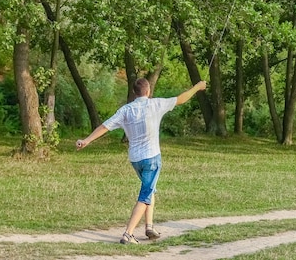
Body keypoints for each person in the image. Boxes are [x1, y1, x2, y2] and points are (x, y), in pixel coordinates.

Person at [76, 78, 207, 244]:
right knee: (145, 194)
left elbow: (105, 126)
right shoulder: (155, 104)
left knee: (149, 189)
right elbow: (180, 99)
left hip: (135, 159)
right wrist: (197, 87)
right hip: (152, 158)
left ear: (134, 93)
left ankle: (149, 227)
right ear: (148, 91)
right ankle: (128, 234)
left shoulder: (126, 110)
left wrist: (87, 140)